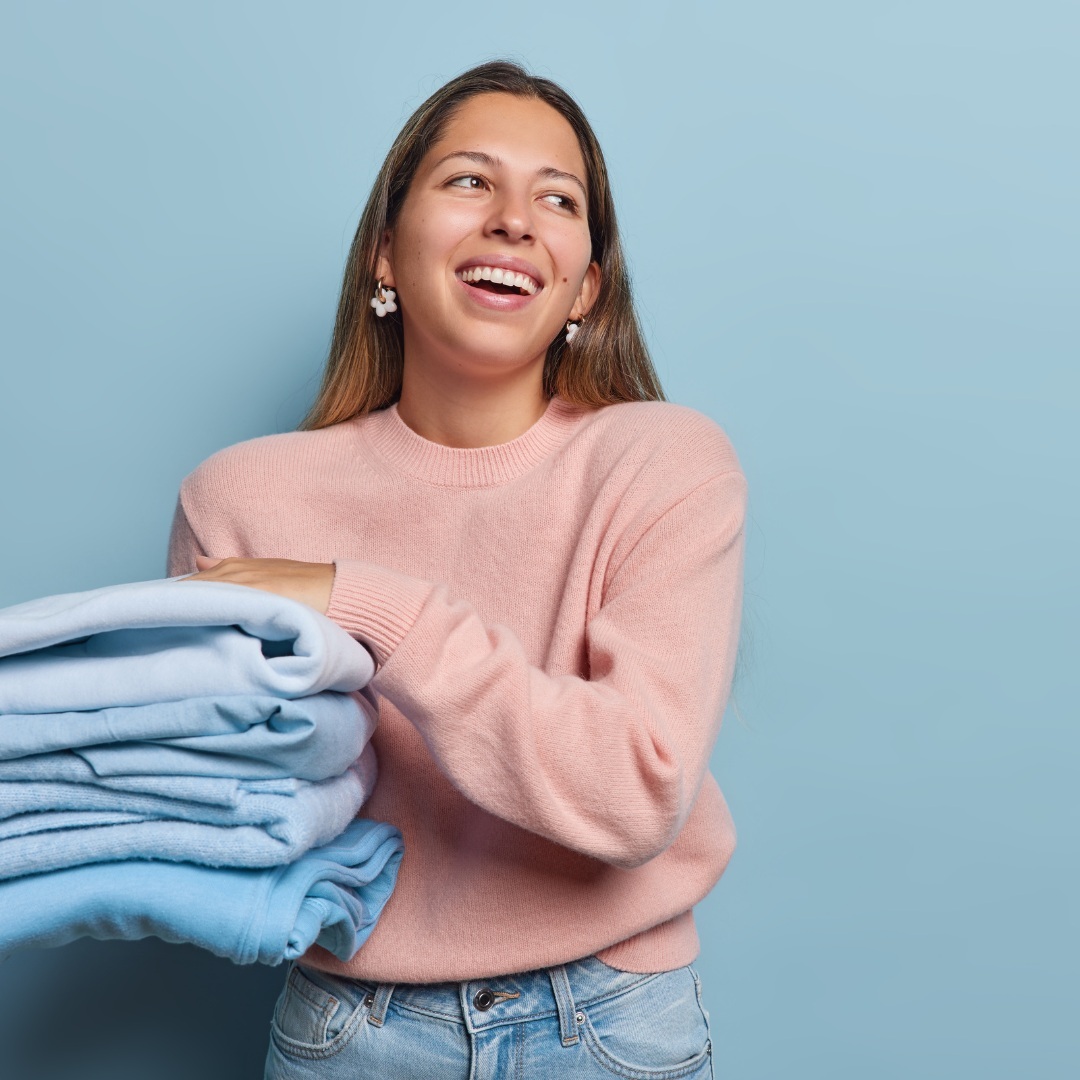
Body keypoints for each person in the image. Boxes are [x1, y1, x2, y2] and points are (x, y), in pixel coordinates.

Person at [170, 59, 747, 1080]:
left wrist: (361, 608)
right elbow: (220, 817)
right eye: (471, 181)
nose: (515, 220)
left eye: (556, 199)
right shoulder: (240, 499)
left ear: (585, 287)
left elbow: (636, 795)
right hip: (351, 1027)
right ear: (385, 255)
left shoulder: (664, 461)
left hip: (611, 1024)